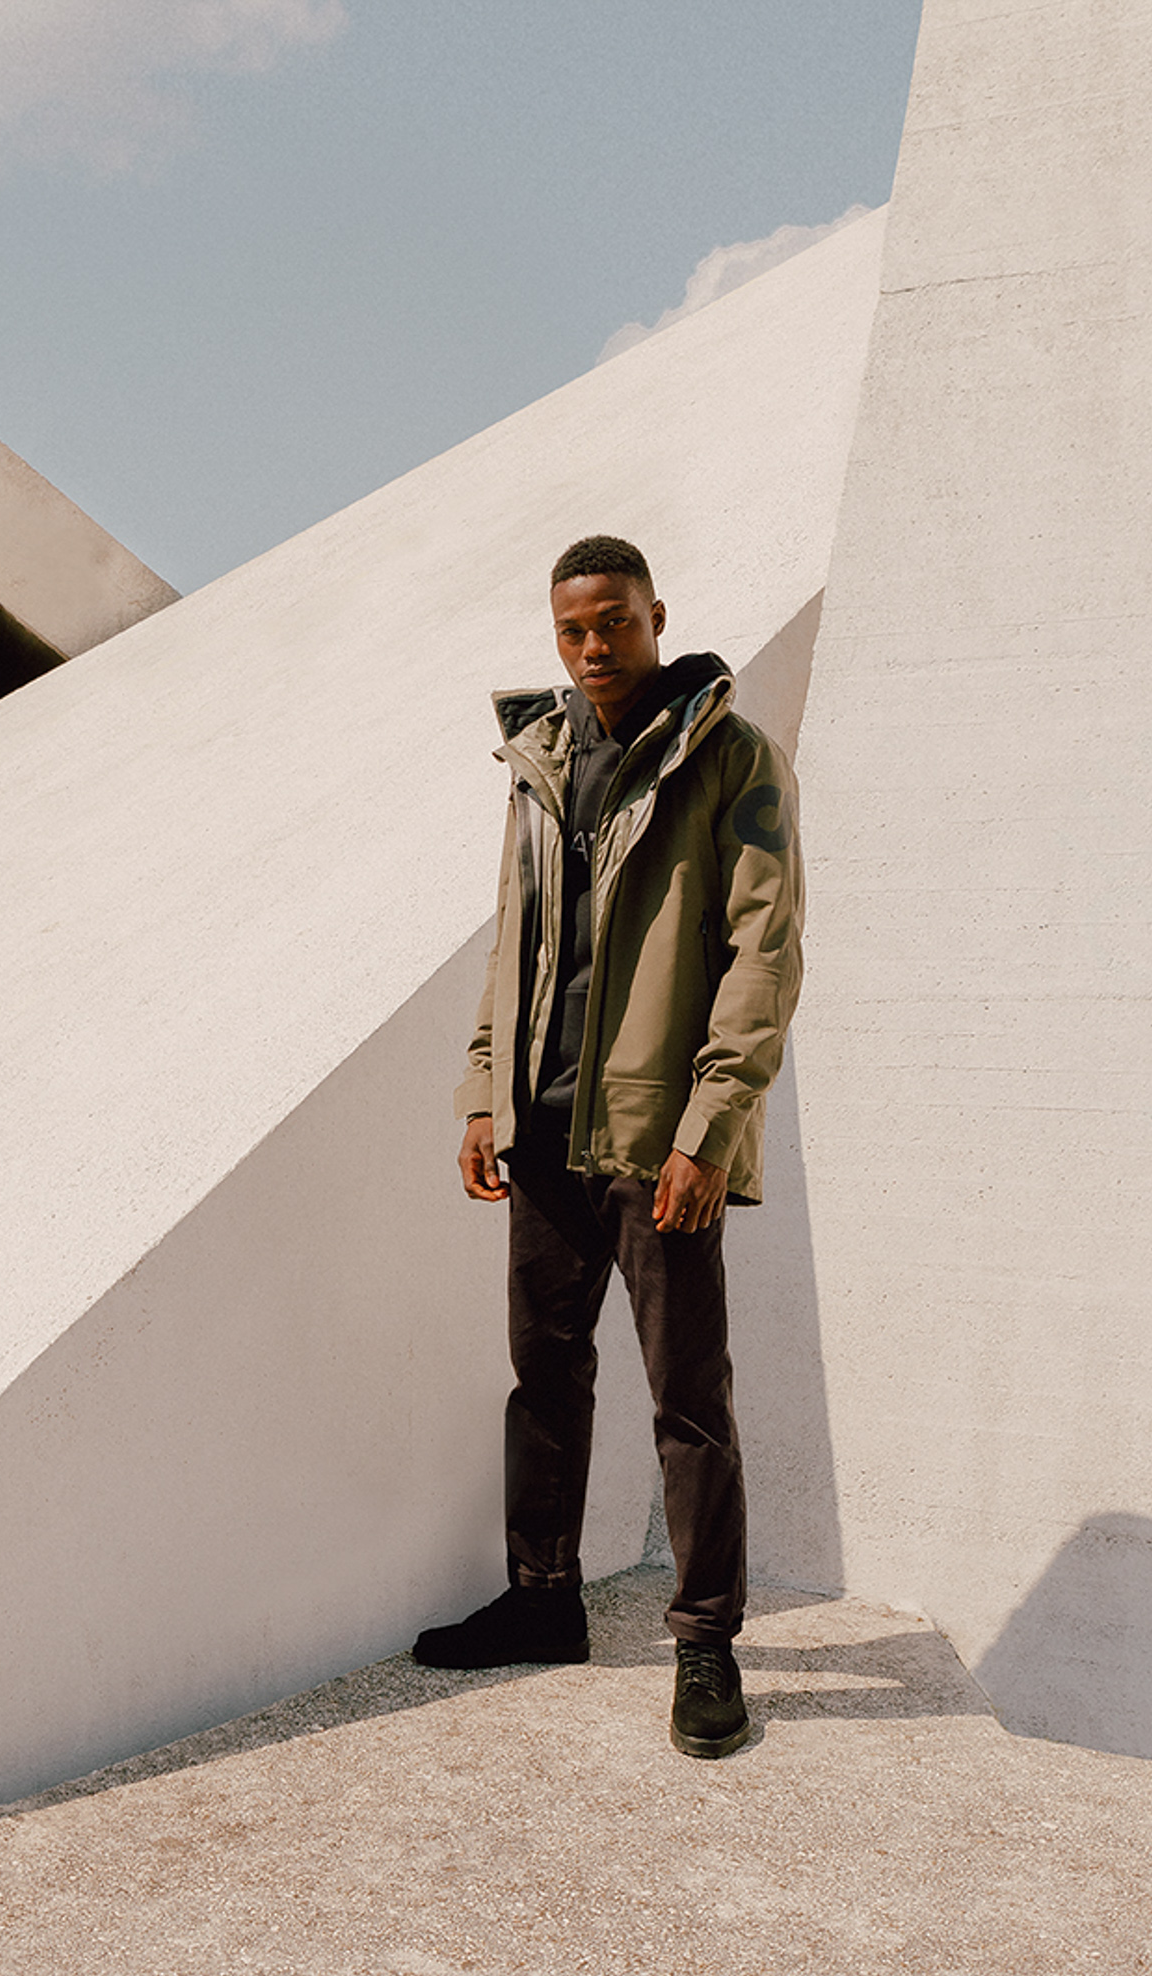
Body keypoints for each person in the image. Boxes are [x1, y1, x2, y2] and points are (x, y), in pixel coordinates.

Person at [418, 533, 803, 1761]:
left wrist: (710, 1128)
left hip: (655, 1140)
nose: (594, 648)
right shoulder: (539, 760)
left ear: (657, 616)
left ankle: (707, 1642)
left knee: (689, 1399)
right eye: (573, 630)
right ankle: (543, 1600)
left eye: (615, 623)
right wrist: (486, 1091)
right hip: (542, 1131)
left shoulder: (728, 756)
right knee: (544, 1376)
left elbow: (763, 956)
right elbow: (514, 941)